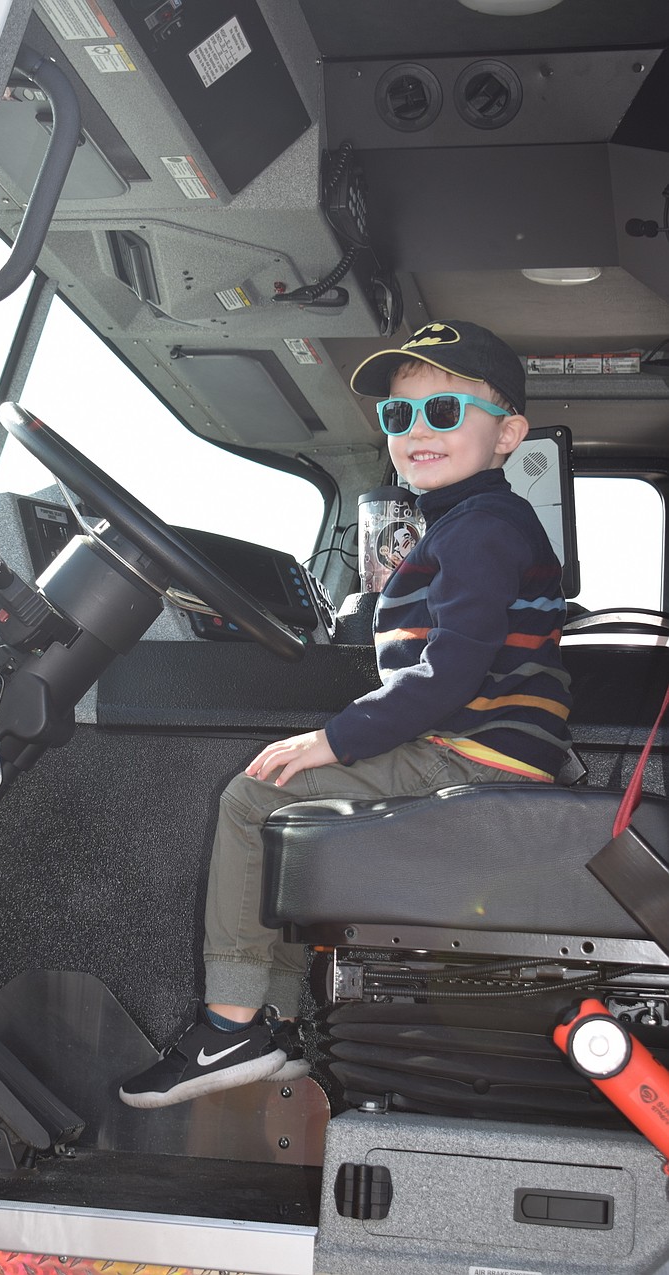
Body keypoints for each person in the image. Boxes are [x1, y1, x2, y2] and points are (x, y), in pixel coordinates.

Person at [119, 319, 573, 1109]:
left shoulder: (483, 529)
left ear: (509, 435)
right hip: (474, 748)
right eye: (399, 417)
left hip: (473, 756)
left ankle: (231, 1022)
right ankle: (279, 1024)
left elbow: (449, 674)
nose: (415, 432)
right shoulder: (468, 525)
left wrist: (333, 738)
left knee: (255, 796)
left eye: (444, 411)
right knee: (299, 809)